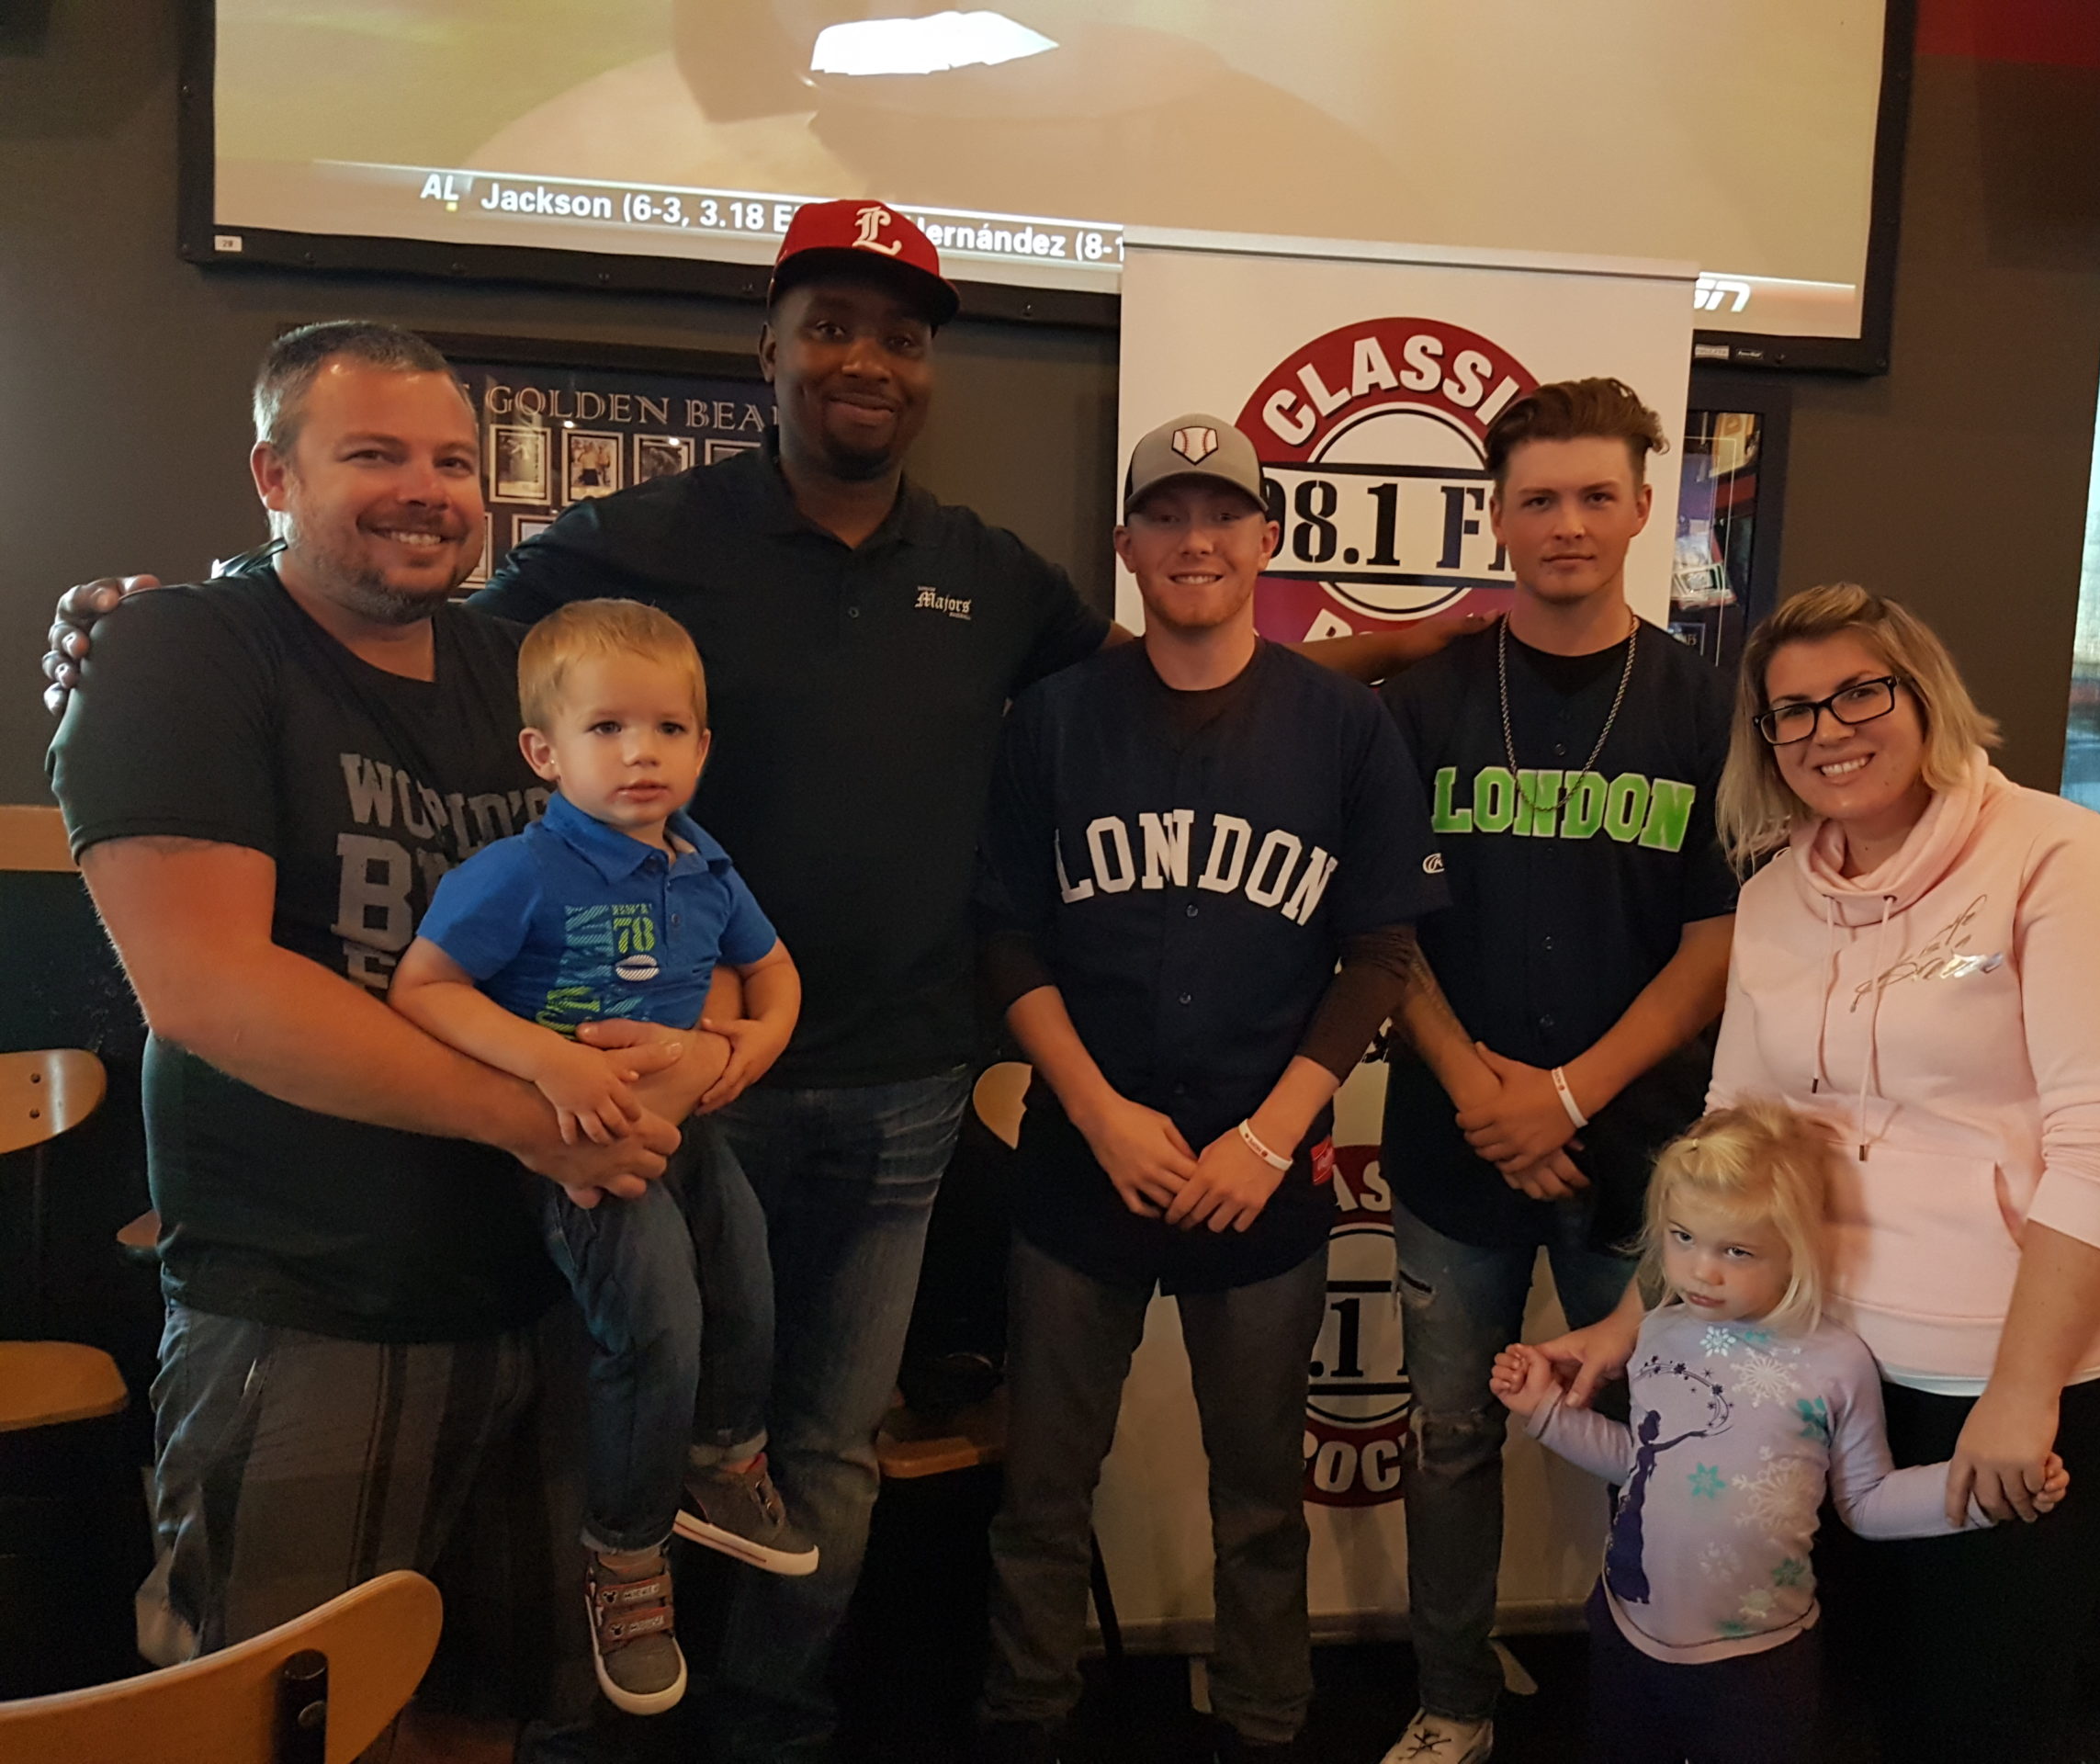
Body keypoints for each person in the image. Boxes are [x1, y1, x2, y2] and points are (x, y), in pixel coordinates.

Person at [37, 204, 1476, 1759]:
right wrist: (166, 613)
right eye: (834, 327)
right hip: (634, 1106)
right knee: (610, 1435)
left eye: (903, 338)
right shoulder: (631, 545)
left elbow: (1188, 657)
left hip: (891, 1094)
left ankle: (771, 1735)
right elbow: (371, 624)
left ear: (929, 372)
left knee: (816, 1466)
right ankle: (610, 1729)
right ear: (773, 351)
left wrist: (1426, 651)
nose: (868, 361)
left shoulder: (990, 575)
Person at [42, 323, 727, 1745]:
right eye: (374, 455)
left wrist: (699, 1054)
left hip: (542, 1291)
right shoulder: (173, 651)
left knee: (493, 1709)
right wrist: (539, 1116)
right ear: (272, 474)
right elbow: (212, 991)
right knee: (272, 1716)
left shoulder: (522, 679)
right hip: (310, 1306)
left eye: (453, 462)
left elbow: (666, 905)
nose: (425, 489)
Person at [1541, 582, 2100, 1761]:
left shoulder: (2058, 855)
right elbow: (1731, 1146)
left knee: (1974, 1713)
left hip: (2028, 1377)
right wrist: (1629, 1323)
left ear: (1923, 695)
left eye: (1858, 692)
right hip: (1826, 1358)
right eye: (1791, 712)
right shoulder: (1774, 895)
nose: (1827, 729)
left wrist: (2022, 1388)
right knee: (1835, 1697)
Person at [972, 414, 1450, 1763]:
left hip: (1267, 1174)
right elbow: (1003, 932)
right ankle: (1024, 1719)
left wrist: (1266, 1135)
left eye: (1223, 516)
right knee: (1046, 1490)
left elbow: (1380, 954)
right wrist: (1098, 1110)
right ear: (1124, 546)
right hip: (1083, 1160)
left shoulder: (1343, 724)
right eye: (1167, 518)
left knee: (1258, 1498)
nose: (1196, 541)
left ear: (1268, 540)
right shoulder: (1053, 720)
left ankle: (1265, 1722)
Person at [1372, 379, 1737, 1764]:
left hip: (1639, 1152)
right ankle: (1453, 1698)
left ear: (1646, 507)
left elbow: (1717, 944)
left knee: (1662, 1436)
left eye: (1597, 494)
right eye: (1538, 498)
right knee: (1451, 1435)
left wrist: (1569, 1096)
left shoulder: (1709, 707)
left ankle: (1648, 1697)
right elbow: (1382, 931)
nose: (1568, 523)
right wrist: (1483, 1095)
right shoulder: (1422, 704)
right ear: (1496, 518)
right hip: (1447, 1138)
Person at [389, 598, 815, 1716]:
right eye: (609, 729)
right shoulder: (516, 871)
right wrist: (548, 1064)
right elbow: (421, 990)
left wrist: (754, 1041)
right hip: (577, 1150)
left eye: (669, 730)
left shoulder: (705, 866)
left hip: (690, 1127)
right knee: (660, 1324)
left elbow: (775, 977)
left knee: (751, 1286)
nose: (642, 754)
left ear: (702, 747)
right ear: (545, 751)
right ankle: (627, 1557)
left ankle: (725, 1464)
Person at [1491, 1102, 2068, 1764]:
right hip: (1626, 1628)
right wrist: (1545, 1411)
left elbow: (1868, 1501)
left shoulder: (1835, 1362)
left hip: (1756, 1659)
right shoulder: (1657, 1332)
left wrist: (1977, 1495)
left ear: (1796, 1247)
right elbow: (1639, 1463)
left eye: (1735, 1251)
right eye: (1683, 1237)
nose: (1701, 1271)